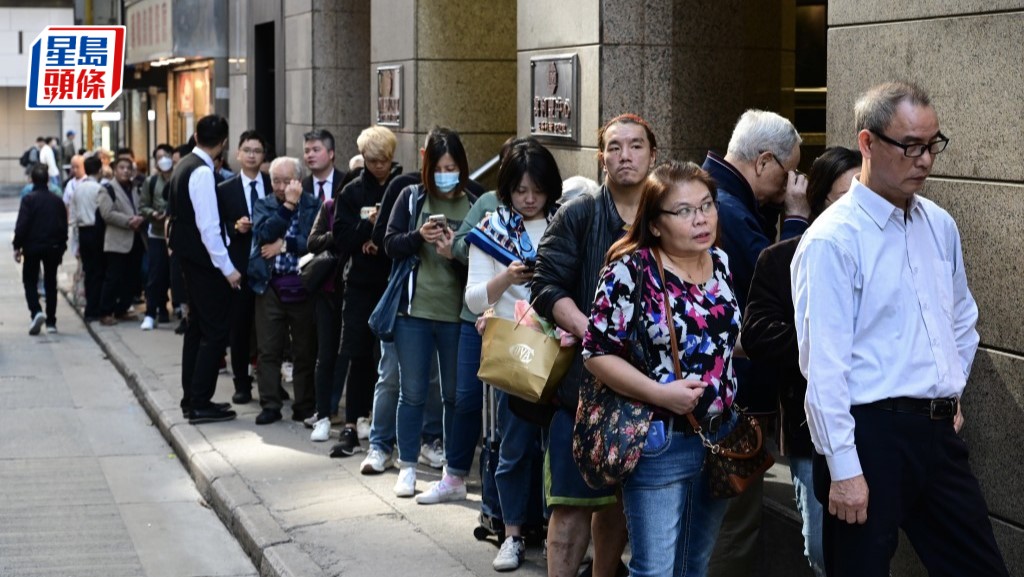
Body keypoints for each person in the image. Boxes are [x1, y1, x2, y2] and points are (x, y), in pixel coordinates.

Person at [792, 81, 1009, 577]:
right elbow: (823, 367)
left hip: (938, 433)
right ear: (867, 143)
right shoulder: (832, 239)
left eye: (933, 143)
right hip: (868, 435)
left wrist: (951, 392)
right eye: (910, 145)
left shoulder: (939, 223)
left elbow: (962, 319)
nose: (926, 159)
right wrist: (844, 469)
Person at [583, 160, 740, 577]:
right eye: (684, 211)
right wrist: (659, 393)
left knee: (695, 564)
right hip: (660, 438)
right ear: (654, 224)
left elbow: (721, 337)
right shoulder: (630, 270)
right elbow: (596, 353)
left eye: (707, 205)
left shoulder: (719, 261)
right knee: (654, 570)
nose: (701, 218)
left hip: (718, 433)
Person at [532, 113, 658, 577]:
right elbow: (545, 286)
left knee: (619, 508)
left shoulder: (667, 215)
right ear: (601, 157)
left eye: (636, 146)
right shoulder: (580, 214)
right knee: (569, 508)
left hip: (647, 393)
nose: (626, 155)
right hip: (582, 392)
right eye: (615, 147)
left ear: (653, 154)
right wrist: (596, 333)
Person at [741, 146, 861, 577]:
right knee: (820, 546)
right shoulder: (782, 257)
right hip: (810, 427)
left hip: (878, 423)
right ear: (822, 200)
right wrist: (824, 339)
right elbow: (756, 336)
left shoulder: (889, 254)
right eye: (847, 194)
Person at [701, 109, 809, 577]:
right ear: (764, 161)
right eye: (788, 173)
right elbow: (778, 292)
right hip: (734, 400)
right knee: (733, 527)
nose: (790, 186)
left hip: (709, 394)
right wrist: (797, 220)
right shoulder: (730, 210)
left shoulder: (706, 196)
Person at [460, 139, 561, 571]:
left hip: (562, 351)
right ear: (507, 189)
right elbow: (472, 298)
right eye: (520, 189)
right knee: (515, 447)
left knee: (558, 449)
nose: (530, 198)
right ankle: (512, 533)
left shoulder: (567, 221)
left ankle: (560, 535)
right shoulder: (491, 230)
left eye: (537, 188)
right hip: (517, 354)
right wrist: (505, 278)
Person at [383, 127, 479, 497]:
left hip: (457, 316)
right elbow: (389, 243)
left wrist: (453, 252)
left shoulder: (473, 202)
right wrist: (417, 238)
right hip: (414, 313)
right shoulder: (410, 198)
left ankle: (454, 469)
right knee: (414, 392)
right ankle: (407, 465)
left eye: (452, 166)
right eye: (438, 167)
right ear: (427, 167)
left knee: (456, 395)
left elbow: (481, 263)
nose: (445, 173)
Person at [315, 126, 402, 451]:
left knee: (392, 356)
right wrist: (368, 227)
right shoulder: (351, 191)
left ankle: (382, 424)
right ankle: (352, 422)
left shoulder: (401, 187)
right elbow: (341, 238)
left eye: (385, 160)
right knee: (358, 353)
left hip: (392, 282)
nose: (380, 166)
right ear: (364, 158)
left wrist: (380, 240)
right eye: (373, 160)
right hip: (360, 284)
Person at [167, 114, 239, 425]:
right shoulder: (201, 173)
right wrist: (228, 268)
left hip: (189, 260)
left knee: (197, 329)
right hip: (204, 264)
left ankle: (193, 399)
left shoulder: (184, 165)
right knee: (213, 331)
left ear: (196, 136)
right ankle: (198, 401)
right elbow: (209, 228)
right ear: (224, 143)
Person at [249, 156, 319, 425]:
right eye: (275, 181)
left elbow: (315, 241)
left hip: (302, 283)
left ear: (298, 181)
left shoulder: (313, 204)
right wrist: (288, 205)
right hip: (269, 284)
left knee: (304, 349)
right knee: (269, 349)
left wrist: (286, 245)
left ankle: (304, 404)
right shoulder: (264, 204)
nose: (280, 186)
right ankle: (270, 404)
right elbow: (264, 234)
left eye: (286, 181)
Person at [217, 130, 271, 405]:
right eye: (247, 150)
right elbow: (216, 228)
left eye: (257, 151)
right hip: (238, 268)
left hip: (268, 267)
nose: (251, 155)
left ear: (263, 156)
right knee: (238, 329)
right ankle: (241, 383)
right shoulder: (225, 190)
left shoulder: (274, 185)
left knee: (268, 330)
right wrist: (235, 228)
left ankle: (269, 384)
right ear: (237, 154)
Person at [13, 164, 68, 335]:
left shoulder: (28, 200)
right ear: (48, 180)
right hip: (53, 247)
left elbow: (22, 225)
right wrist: (62, 246)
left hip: (32, 247)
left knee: (30, 281)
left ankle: (36, 311)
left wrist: (17, 245)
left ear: (32, 180)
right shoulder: (57, 200)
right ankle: (51, 321)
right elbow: (63, 226)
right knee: (51, 283)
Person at [97, 157, 145, 326]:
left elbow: (141, 207)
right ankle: (105, 311)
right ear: (115, 170)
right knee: (113, 278)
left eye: (128, 168)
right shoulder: (107, 189)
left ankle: (122, 309)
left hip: (136, 239)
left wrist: (141, 218)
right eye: (121, 167)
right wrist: (129, 220)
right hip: (117, 240)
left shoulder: (135, 188)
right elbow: (107, 213)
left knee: (131, 278)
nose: (125, 171)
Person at [138, 144, 176, 330]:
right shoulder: (150, 182)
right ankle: (150, 312)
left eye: (166, 155)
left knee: (176, 275)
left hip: (176, 235)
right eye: (159, 157)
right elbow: (143, 206)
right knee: (155, 275)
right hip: (157, 234)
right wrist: (153, 214)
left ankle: (175, 308)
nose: (164, 160)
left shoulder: (180, 178)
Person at [69, 156, 107, 322]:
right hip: (97, 231)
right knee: (99, 271)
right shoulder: (100, 188)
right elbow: (104, 213)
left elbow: (72, 216)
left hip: (83, 232)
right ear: (100, 170)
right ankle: (95, 307)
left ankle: (89, 309)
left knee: (89, 270)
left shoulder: (78, 189)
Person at [302, 129, 346, 204]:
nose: (310, 155)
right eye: (307, 151)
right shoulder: (301, 187)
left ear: (331, 154)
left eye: (316, 150)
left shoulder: (346, 183)